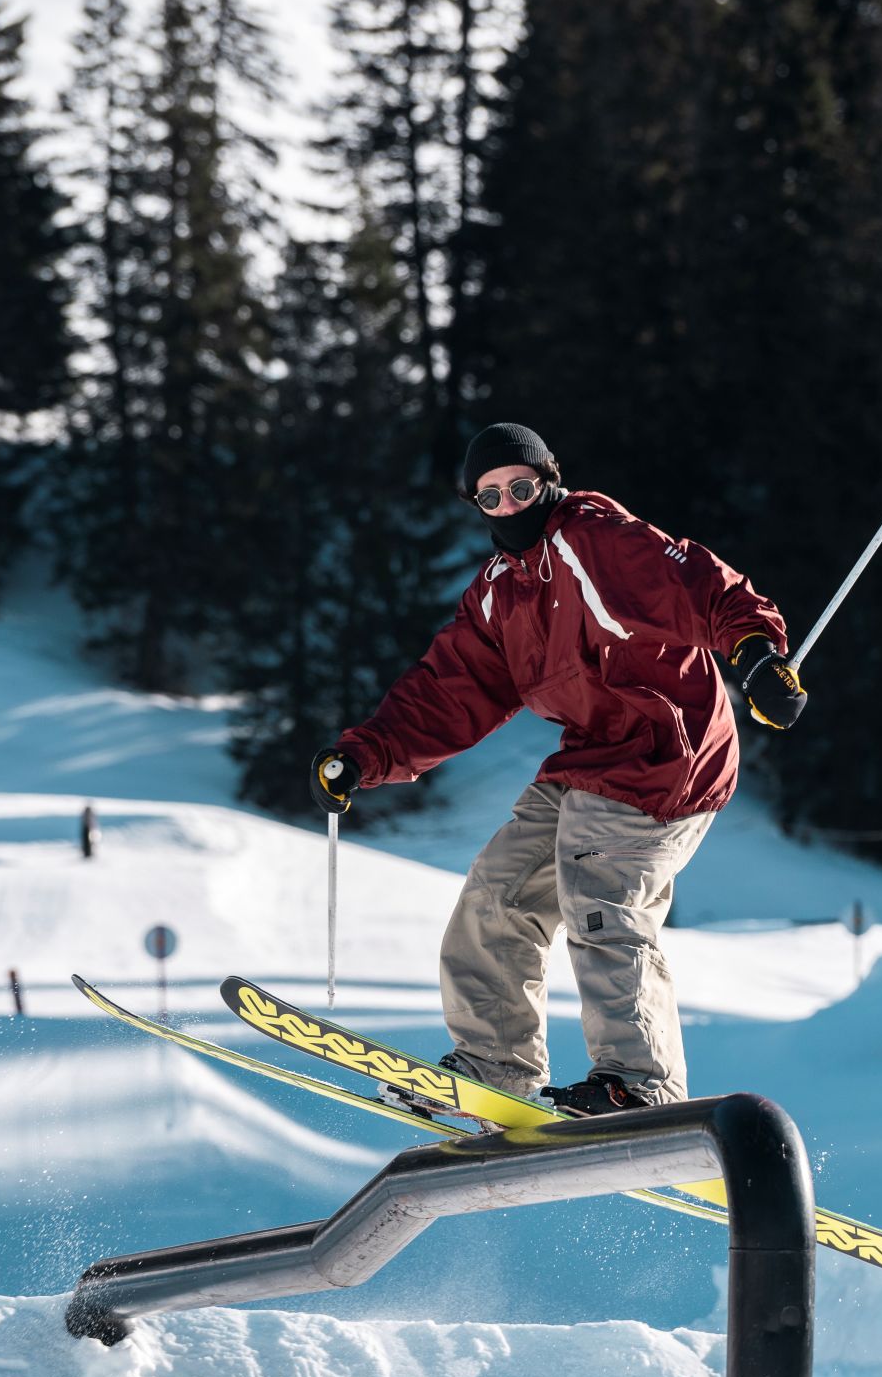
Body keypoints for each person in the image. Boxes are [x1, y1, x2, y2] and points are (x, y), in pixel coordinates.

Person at [310, 422, 805, 1116]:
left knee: (599, 898)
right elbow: (448, 691)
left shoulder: (596, 539)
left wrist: (754, 649)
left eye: (521, 488)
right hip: (593, 755)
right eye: (491, 498)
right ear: (475, 507)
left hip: (669, 753)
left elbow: (694, 580)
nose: (510, 506)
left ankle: (639, 1084)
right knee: (496, 896)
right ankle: (492, 1066)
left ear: (549, 479)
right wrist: (365, 754)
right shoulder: (498, 596)